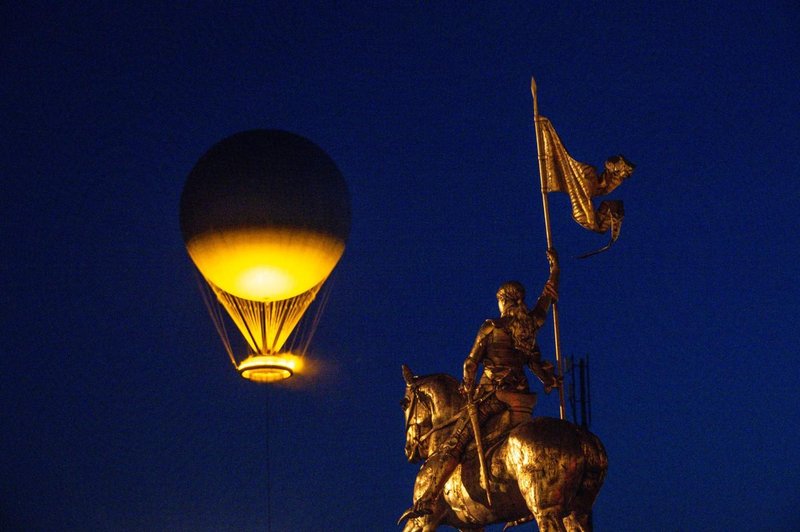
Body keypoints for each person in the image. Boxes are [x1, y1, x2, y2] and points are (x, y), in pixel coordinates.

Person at [402, 249, 561, 519]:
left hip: (493, 397)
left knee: (453, 444)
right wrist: (555, 272)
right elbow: (545, 302)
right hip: (522, 399)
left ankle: (428, 500)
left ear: (503, 301)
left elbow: (470, 363)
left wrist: (467, 387)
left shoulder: (492, 327)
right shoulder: (531, 324)